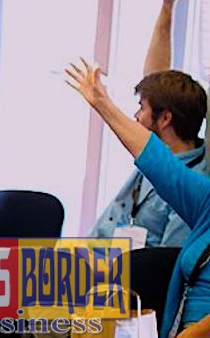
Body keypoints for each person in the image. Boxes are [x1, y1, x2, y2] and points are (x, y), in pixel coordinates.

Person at [66, 59, 210, 335]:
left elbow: (158, 268)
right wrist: (102, 103)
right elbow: (155, 158)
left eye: (141, 108)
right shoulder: (205, 199)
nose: (137, 114)